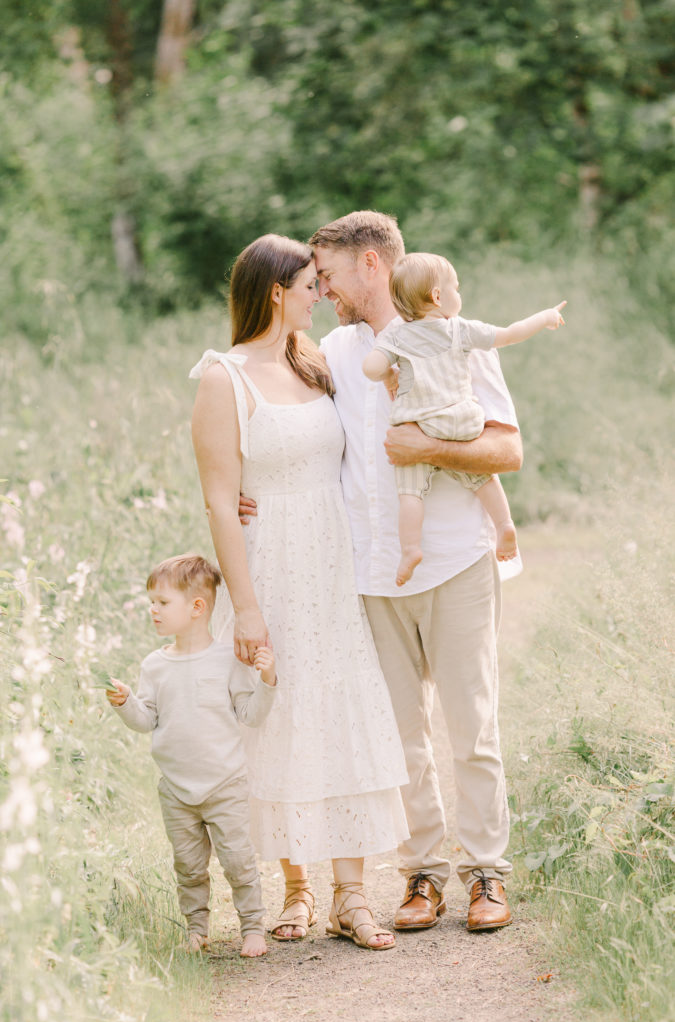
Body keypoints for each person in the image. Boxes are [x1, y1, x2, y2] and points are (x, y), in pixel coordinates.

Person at [302, 210, 521, 932]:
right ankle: (422, 874)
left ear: (371, 265)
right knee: (400, 737)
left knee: (471, 728)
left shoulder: (455, 334)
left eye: (329, 275)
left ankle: (486, 875)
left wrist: (423, 448)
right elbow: (294, 432)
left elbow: (504, 452)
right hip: (370, 574)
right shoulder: (332, 352)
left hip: (456, 557)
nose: (324, 289)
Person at [189, 234, 409, 951]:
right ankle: (297, 888)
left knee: (343, 710)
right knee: (279, 719)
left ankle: (353, 895)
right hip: (272, 565)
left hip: (334, 562)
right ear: (275, 291)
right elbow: (223, 502)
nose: (321, 294)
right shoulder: (224, 377)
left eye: (323, 283)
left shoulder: (316, 362)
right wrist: (245, 609)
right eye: (310, 284)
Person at [106, 553, 276, 958]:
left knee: (238, 862)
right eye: (153, 601)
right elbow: (146, 721)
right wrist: (126, 702)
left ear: (197, 607)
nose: (153, 609)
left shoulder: (227, 662)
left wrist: (267, 681)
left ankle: (253, 927)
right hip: (177, 790)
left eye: (162, 602)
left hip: (225, 784)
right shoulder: (155, 666)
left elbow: (250, 714)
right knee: (188, 867)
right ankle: (196, 929)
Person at [362, 251, 566, 586]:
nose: (460, 295)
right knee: (481, 477)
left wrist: (386, 369)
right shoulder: (460, 329)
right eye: (456, 288)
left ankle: (411, 548)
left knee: (410, 491)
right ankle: (504, 525)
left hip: (421, 422)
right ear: (438, 296)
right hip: (463, 420)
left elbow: (371, 369)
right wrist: (543, 317)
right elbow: (510, 334)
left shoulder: (396, 336)